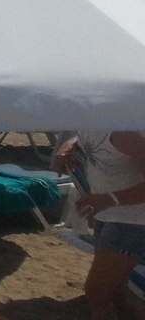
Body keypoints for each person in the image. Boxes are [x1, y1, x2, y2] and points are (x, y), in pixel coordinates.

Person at [54, 130, 145, 319]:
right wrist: (67, 148)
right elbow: (80, 137)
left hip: (133, 220)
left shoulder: (124, 134)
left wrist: (108, 199)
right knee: (116, 286)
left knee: (96, 290)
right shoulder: (90, 122)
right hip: (107, 212)